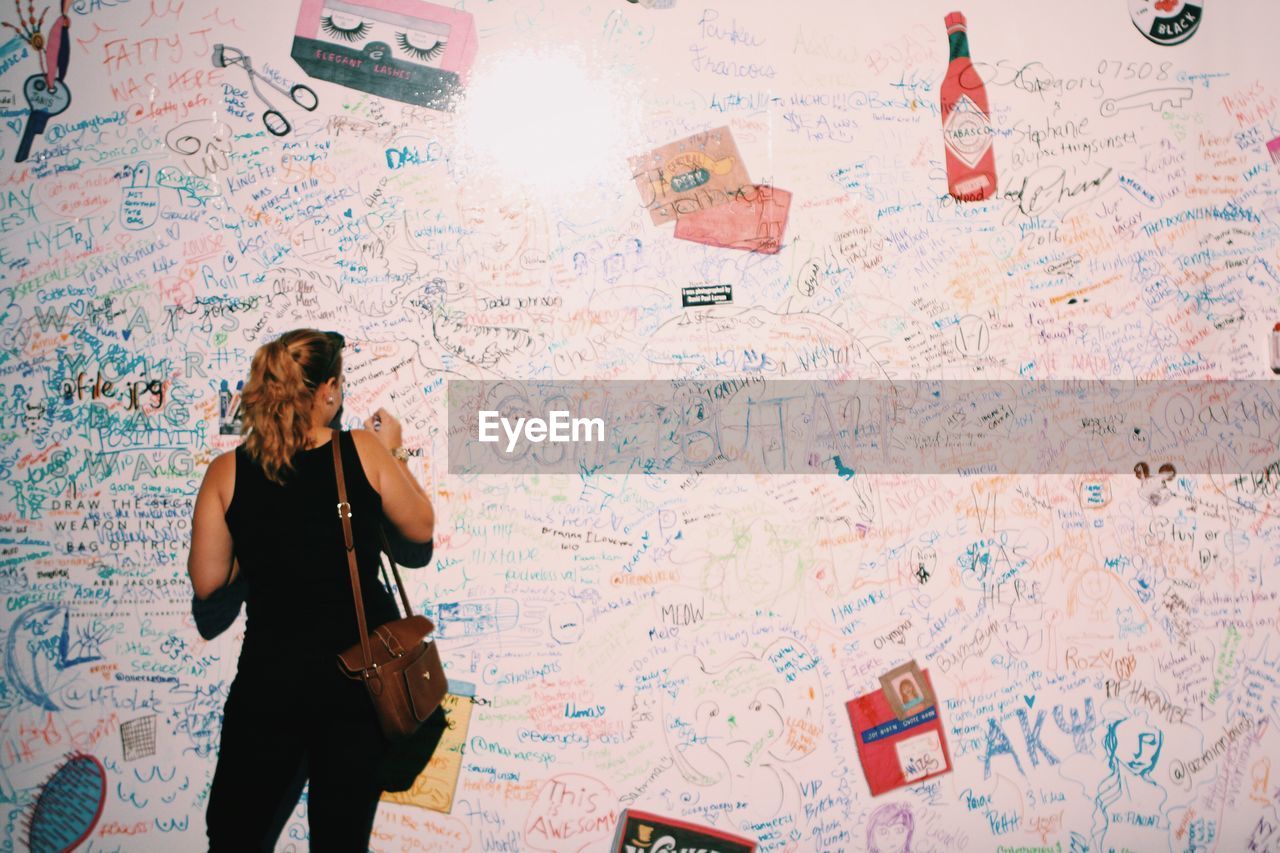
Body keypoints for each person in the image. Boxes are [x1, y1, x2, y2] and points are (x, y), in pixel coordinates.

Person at [187, 329, 436, 851]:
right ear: (326, 391)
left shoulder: (227, 472)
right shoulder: (361, 452)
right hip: (352, 686)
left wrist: (260, 548)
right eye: (338, 384)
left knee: (234, 835)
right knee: (339, 841)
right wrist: (395, 453)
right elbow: (419, 527)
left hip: (268, 685)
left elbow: (209, 581)